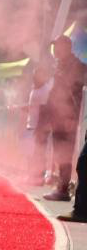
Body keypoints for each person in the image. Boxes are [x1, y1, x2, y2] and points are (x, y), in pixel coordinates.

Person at [43, 35, 87, 201]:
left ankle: (63, 189)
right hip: (58, 116)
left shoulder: (76, 66)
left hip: (68, 117)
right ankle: (61, 186)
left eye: (57, 47)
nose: (54, 50)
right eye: (54, 47)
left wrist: (72, 114)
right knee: (60, 153)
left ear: (67, 47)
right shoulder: (60, 65)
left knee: (65, 153)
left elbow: (75, 91)